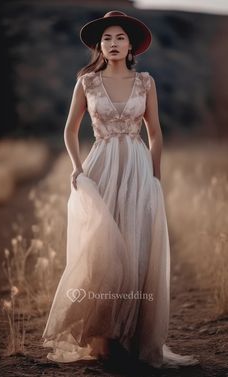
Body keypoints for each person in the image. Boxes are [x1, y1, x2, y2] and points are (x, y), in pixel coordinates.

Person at [42, 10, 199, 369]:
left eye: (120, 38)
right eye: (107, 39)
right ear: (100, 45)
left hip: (137, 167)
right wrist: (77, 168)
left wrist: (156, 177)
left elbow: (155, 132)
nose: (113, 44)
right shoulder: (87, 83)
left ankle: (134, 335)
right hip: (100, 167)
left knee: (136, 245)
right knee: (102, 249)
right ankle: (103, 338)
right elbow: (69, 130)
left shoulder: (146, 82)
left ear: (130, 46)